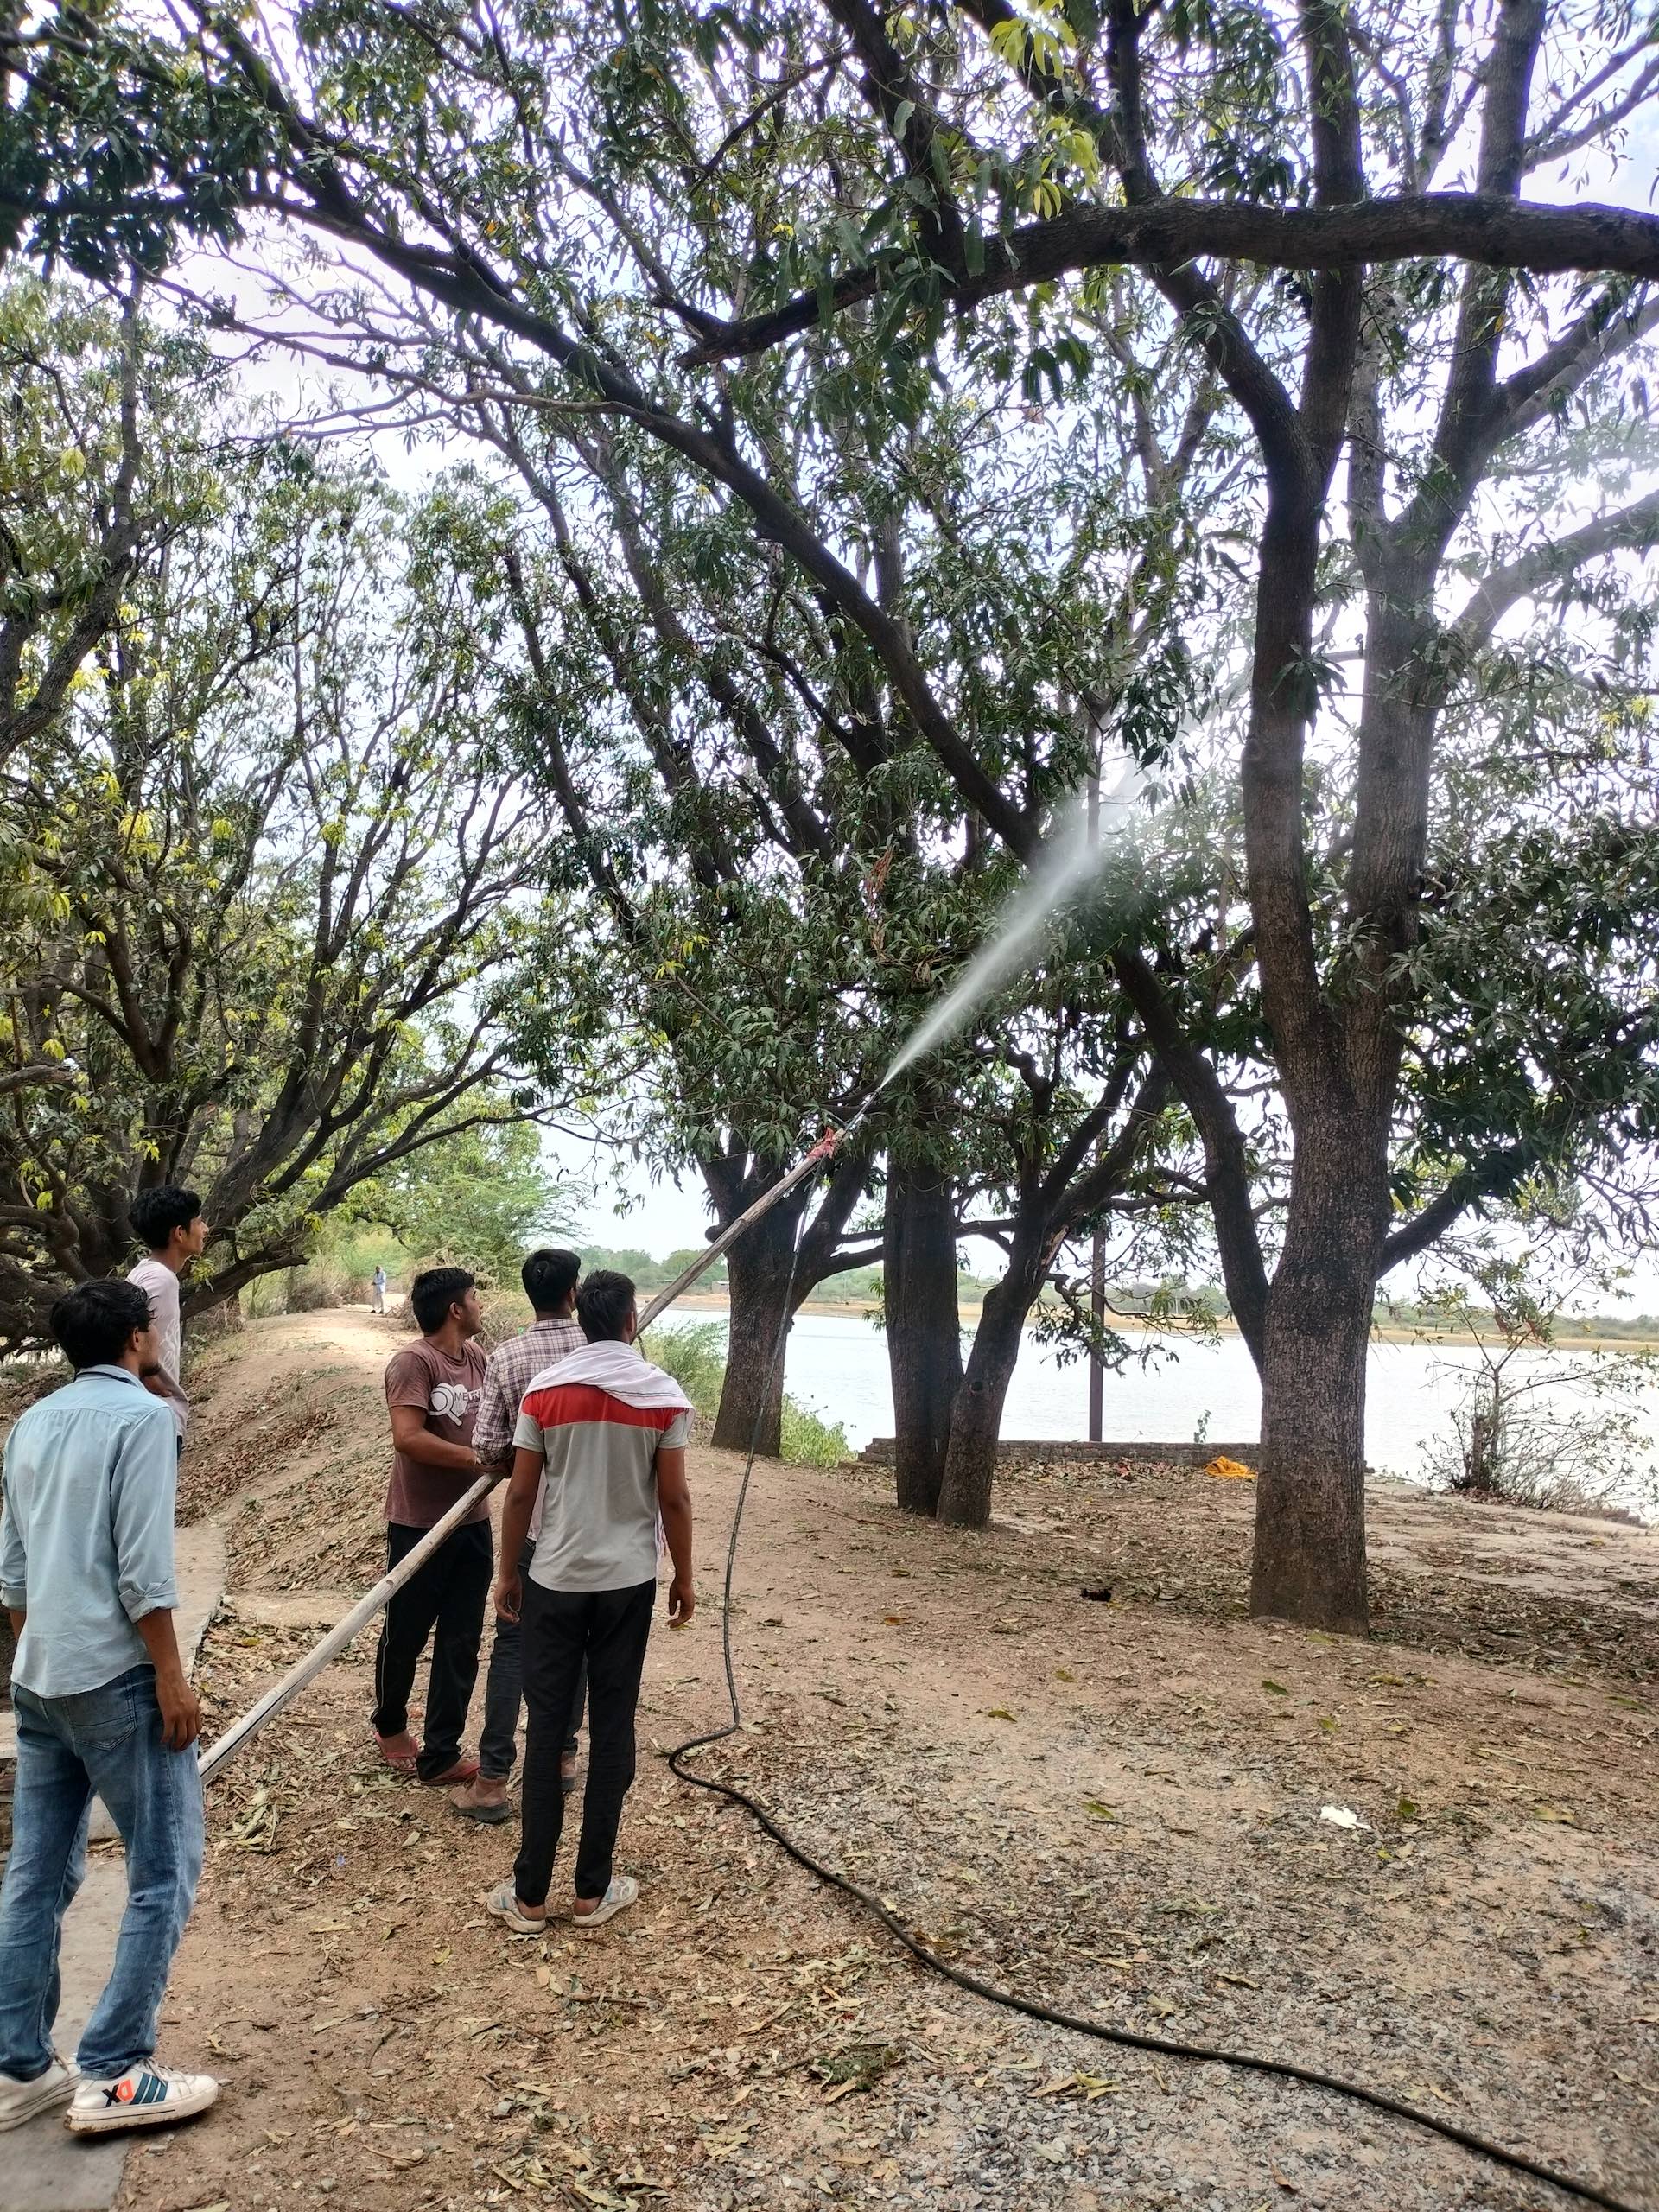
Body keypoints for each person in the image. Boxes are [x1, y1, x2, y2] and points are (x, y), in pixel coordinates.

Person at [0, 1280, 218, 2135]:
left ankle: (20, 2063)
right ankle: (115, 2070)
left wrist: (36, 1654)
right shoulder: (143, 1421)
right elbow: (143, 1570)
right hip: (117, 1677)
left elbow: (13, 1573)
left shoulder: (31, 1425)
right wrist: (171, 1675)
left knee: (38, 1870)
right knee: (164, 1869)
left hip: (41, 1672)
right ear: (137, 1336)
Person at [484, 1268, 694, 1936]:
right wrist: (684, 1575)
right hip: (627, 1583)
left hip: (555, 1576)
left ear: (582, 1315)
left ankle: (528, 1896)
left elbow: (520, 1495)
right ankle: (591, 1891)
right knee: (613, 1724)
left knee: (547, 1728)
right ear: (630, 1320)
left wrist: (507, 1573)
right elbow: (675, 1499)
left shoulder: (545, 1392)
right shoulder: (661, 1395)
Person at [452, 1248, 587, 1827]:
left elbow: (486, 1451)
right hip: (590, 1529)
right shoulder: (600, 1351)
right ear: (573, 1293)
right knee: (576, 1644)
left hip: (533, 1525)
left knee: (513, 1644)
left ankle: (492, 1781)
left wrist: (522, 1456)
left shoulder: (506, 1358)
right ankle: (561, 1758)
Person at [370, 1266, 490, 1787]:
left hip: (473, 1521)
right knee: (407, 1632)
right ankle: (391, 1724)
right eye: (474, 1298)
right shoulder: (413, 1363)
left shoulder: (479, 1359)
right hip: (420, 1524)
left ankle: (441, 1752)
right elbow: (408, 1438)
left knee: (462, 1638)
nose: (480, 1305)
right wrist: (478, 1459)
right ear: (455, 1310)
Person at [126, 1186, 209, 1452]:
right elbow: (129, 1332)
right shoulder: (160, 1280)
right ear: (179, 1233)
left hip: (147, 1415)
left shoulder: (147, 1273)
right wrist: (154, 1382)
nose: (205, 1229)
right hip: (153, 1419)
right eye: (198, 1222)